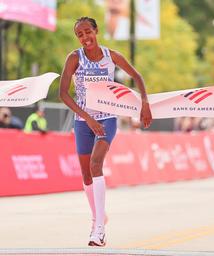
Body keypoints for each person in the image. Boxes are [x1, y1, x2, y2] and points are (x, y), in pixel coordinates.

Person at [59, 16, 152, 247]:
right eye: (79, 35)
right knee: (86, 175)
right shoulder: (74, 58)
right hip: (83, 122)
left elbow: (137, 76)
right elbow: (63, 94)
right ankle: (98, 216)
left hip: (107, 119)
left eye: (88, 32)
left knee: (95, 164)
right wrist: (88, 119)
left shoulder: (111, 57)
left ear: (96, 31)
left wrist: (145, 103)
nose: (84, 38)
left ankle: (99, 229)